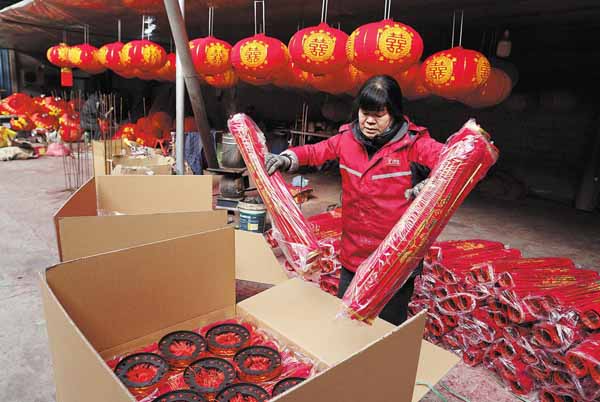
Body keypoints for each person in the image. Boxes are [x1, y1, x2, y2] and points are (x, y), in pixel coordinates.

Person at [265, 75, 444, 325]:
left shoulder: (414, 144)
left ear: (394, 113)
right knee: (346, 322)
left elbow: (454, 161)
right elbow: (316, 152)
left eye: (379, 115)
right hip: (354, 254)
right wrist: (287, 158)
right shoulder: (347, 139)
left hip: (395, 261)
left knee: (386, 329)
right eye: (364, 112)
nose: (369, 121)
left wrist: (434, 184)